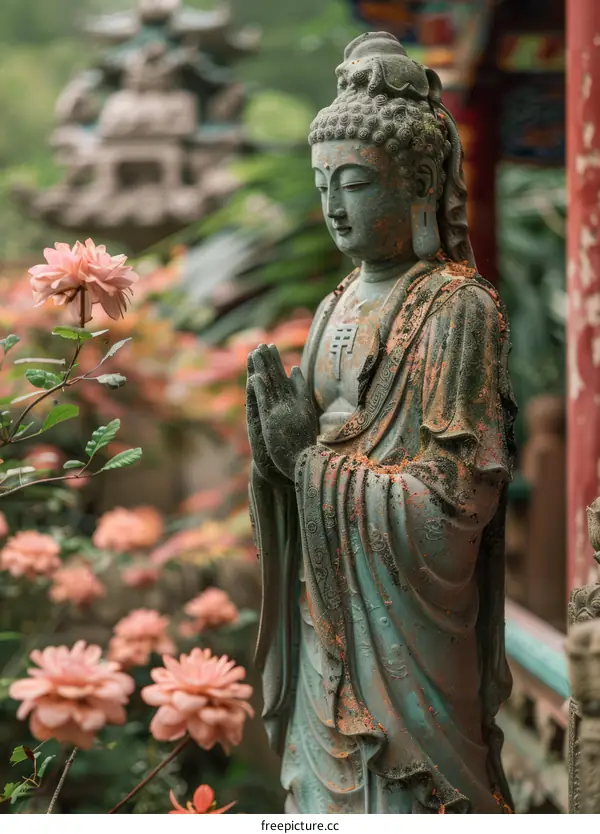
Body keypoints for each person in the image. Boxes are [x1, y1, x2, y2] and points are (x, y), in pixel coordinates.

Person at [246, 31, 516, 814]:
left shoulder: (458, 308)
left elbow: (456, 505)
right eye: (322, 184)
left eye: (357, 183)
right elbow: (300, 464)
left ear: (420, 184)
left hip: (410, 637)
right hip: (324, 616)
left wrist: (309, 466)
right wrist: (273, 460)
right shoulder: (333, 304)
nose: (333, 206)